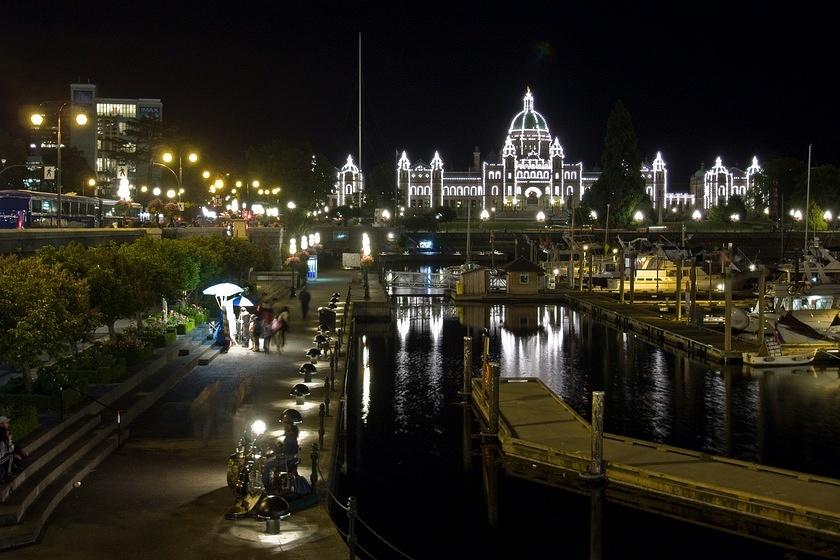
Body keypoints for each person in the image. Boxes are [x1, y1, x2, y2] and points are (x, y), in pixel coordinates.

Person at [0, 416, 28, 482]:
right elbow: (8, 447)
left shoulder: (4, 432)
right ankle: (8, 475)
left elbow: (12, 445)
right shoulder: (2, 433)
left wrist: (20, 450)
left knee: (16, 454)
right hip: (1, 457)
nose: (8, 424)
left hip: (3, 455)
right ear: (1, 424)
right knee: (11, 456)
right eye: (6, 423)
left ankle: (14, 468)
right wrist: (9, 439)